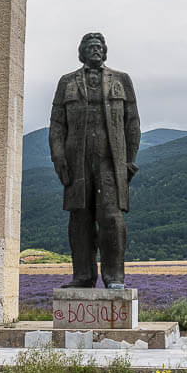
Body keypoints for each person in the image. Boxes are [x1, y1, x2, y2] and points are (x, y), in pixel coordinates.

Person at [49, 32, 140, 289]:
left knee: (111, 217)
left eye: (99, 47)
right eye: (90, 47)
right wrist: (59, 159)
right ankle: (83, 276)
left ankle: (114, 277)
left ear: (105, 51)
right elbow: (57, 125)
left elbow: (132, 123)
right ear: (82, 52)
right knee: (80, 218)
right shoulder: (66, 82)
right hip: (76, 163)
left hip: (110, 162)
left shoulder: (121, 80)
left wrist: (129, 161)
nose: (95, 50)